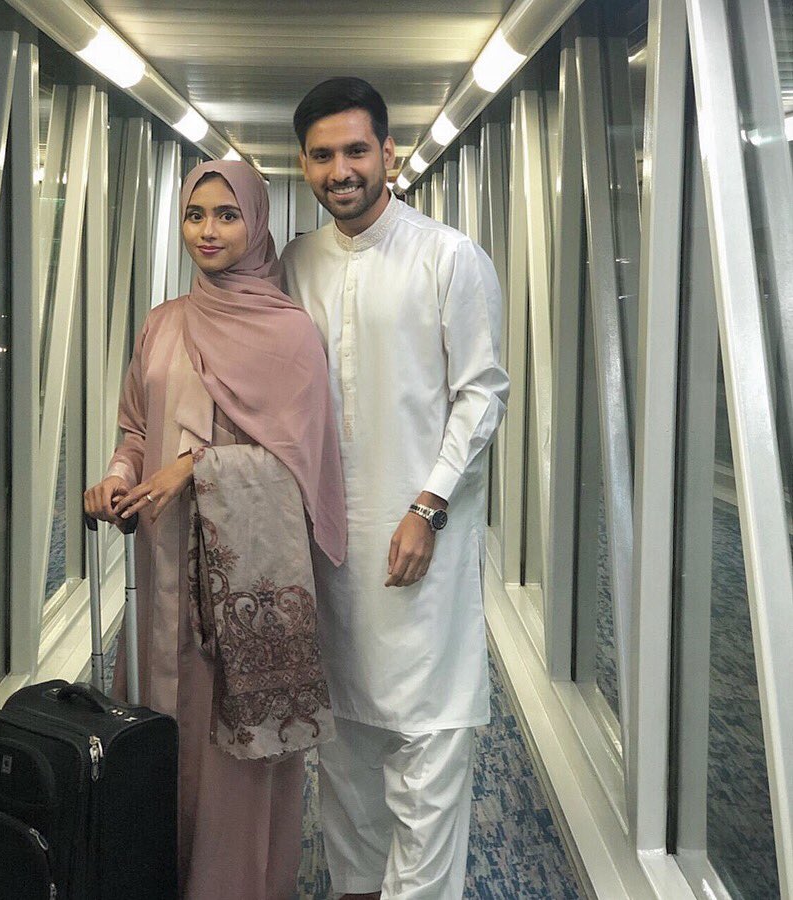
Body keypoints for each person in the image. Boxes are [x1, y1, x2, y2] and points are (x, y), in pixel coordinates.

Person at [83, 160, 346, 900]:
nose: (208, 231)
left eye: (227, 215)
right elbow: (136, 428)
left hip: (243, 587)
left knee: (230, 751)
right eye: (195, 214)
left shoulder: (290, 334)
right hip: (161, 568)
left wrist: (197, 469)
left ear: (255, 223)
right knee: (155, 730)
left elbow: (302, 465)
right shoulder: (163, 322)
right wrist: (118, 474)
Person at [280, 77, 510, 899]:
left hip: (422, 545)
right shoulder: (297, 264)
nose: (340, 170)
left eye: (355, 150)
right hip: (329, 549)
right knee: (344, 747)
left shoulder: (449, 256)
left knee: (428, 745)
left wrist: (428, 503)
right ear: (303, 165)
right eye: (322, 155)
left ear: (389, 153)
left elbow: (481, 394)